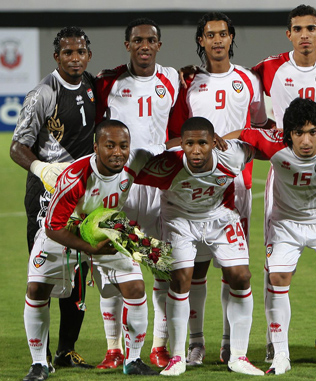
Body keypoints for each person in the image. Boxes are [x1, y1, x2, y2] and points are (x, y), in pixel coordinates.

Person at [227, 97, 316, 375]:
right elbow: (239, 134)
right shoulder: (273, 143)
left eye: (313, 132)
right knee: (277, 278)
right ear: (287, 134)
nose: (306, 140)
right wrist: (214, 142)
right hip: (285, 223)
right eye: (298, 133)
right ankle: (280, 355)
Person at [167, 12, 272, 365]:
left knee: (233, 269)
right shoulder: (188, 83)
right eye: (210, 35)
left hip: (237, 189)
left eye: (223, 34)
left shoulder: (248, 80)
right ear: (201, 40)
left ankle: (230, 343)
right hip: (193, 190)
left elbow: (258, 127)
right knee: (194, 269)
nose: (217, 40)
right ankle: (196, 343)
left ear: (231, 38)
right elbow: (175, 133)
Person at [251, 4, 316, 362]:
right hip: (285, 170)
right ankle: (272, 340)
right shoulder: (268, 68)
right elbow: (239, 90)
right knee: (273, 268)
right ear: (289, 34)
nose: (305, 34)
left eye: (311, 28)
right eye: (298, 28)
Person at [22, 120, 158, 380]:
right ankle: (39, 363)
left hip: (106, 229)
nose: (118, 152)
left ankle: (134, 359)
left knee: (136, 287)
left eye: (123, 146)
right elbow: (53, 227)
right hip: (66, 231)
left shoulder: (136, 161)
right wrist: (90, 249)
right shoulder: (76, 177)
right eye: (110, 146)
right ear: (96, 147)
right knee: (37, 288)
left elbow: (170, 156)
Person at [134, 116, 263, 376]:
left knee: (241, 276)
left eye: (202, 143)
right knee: (181, 279)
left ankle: (239, 355)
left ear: (215, 142)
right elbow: (122, 169)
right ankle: (178, 357)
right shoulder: (165, 163)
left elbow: (262, 146)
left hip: (221, 217)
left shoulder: (233, 155)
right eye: (189, 143)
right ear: (180, 143)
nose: (195, 150)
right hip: (179, 219)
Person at [10, 26, 96, 373]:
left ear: (87, 54)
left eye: (80, 52)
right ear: (56, 56)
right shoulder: (43, 93)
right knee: (43, 276)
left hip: (84, 195)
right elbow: (17, 146)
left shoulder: (92, 84)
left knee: (78, 272)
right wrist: (42, 169)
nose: (74, 58)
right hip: (46, 196)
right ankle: (40, 356)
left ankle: (66, 351)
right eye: (67, 53)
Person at [95, 17, 179, 369]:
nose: (144, 45)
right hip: (120, 191)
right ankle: (114, 348)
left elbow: (181, 126)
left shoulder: (173, 78)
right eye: (137, 40)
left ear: (159, 45)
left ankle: (159, 345)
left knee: (159, 267)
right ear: (127, 45)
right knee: (114, 271)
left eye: (151, 40)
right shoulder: (107, 83)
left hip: (157, 191)